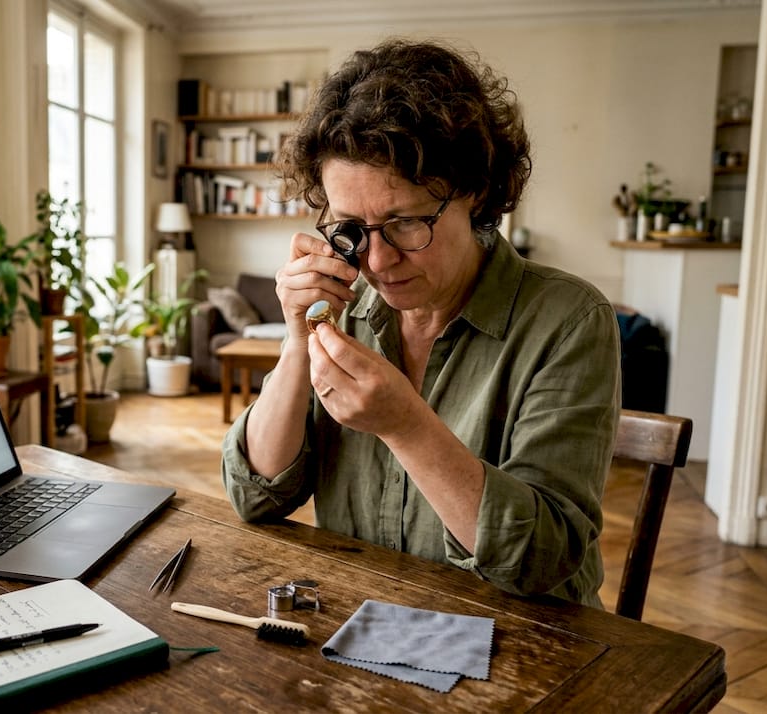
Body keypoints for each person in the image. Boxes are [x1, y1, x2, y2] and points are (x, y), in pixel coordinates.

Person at [220, 39, 621, 608]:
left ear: (476, 193)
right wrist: (295, 341)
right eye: (351, 226)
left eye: (406, 222)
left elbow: (542, 558)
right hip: (363, 622)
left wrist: (406, 426)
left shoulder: (568, 320)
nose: (377, 261)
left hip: (524, 642)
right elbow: (253, 497)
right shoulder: (344, 306)